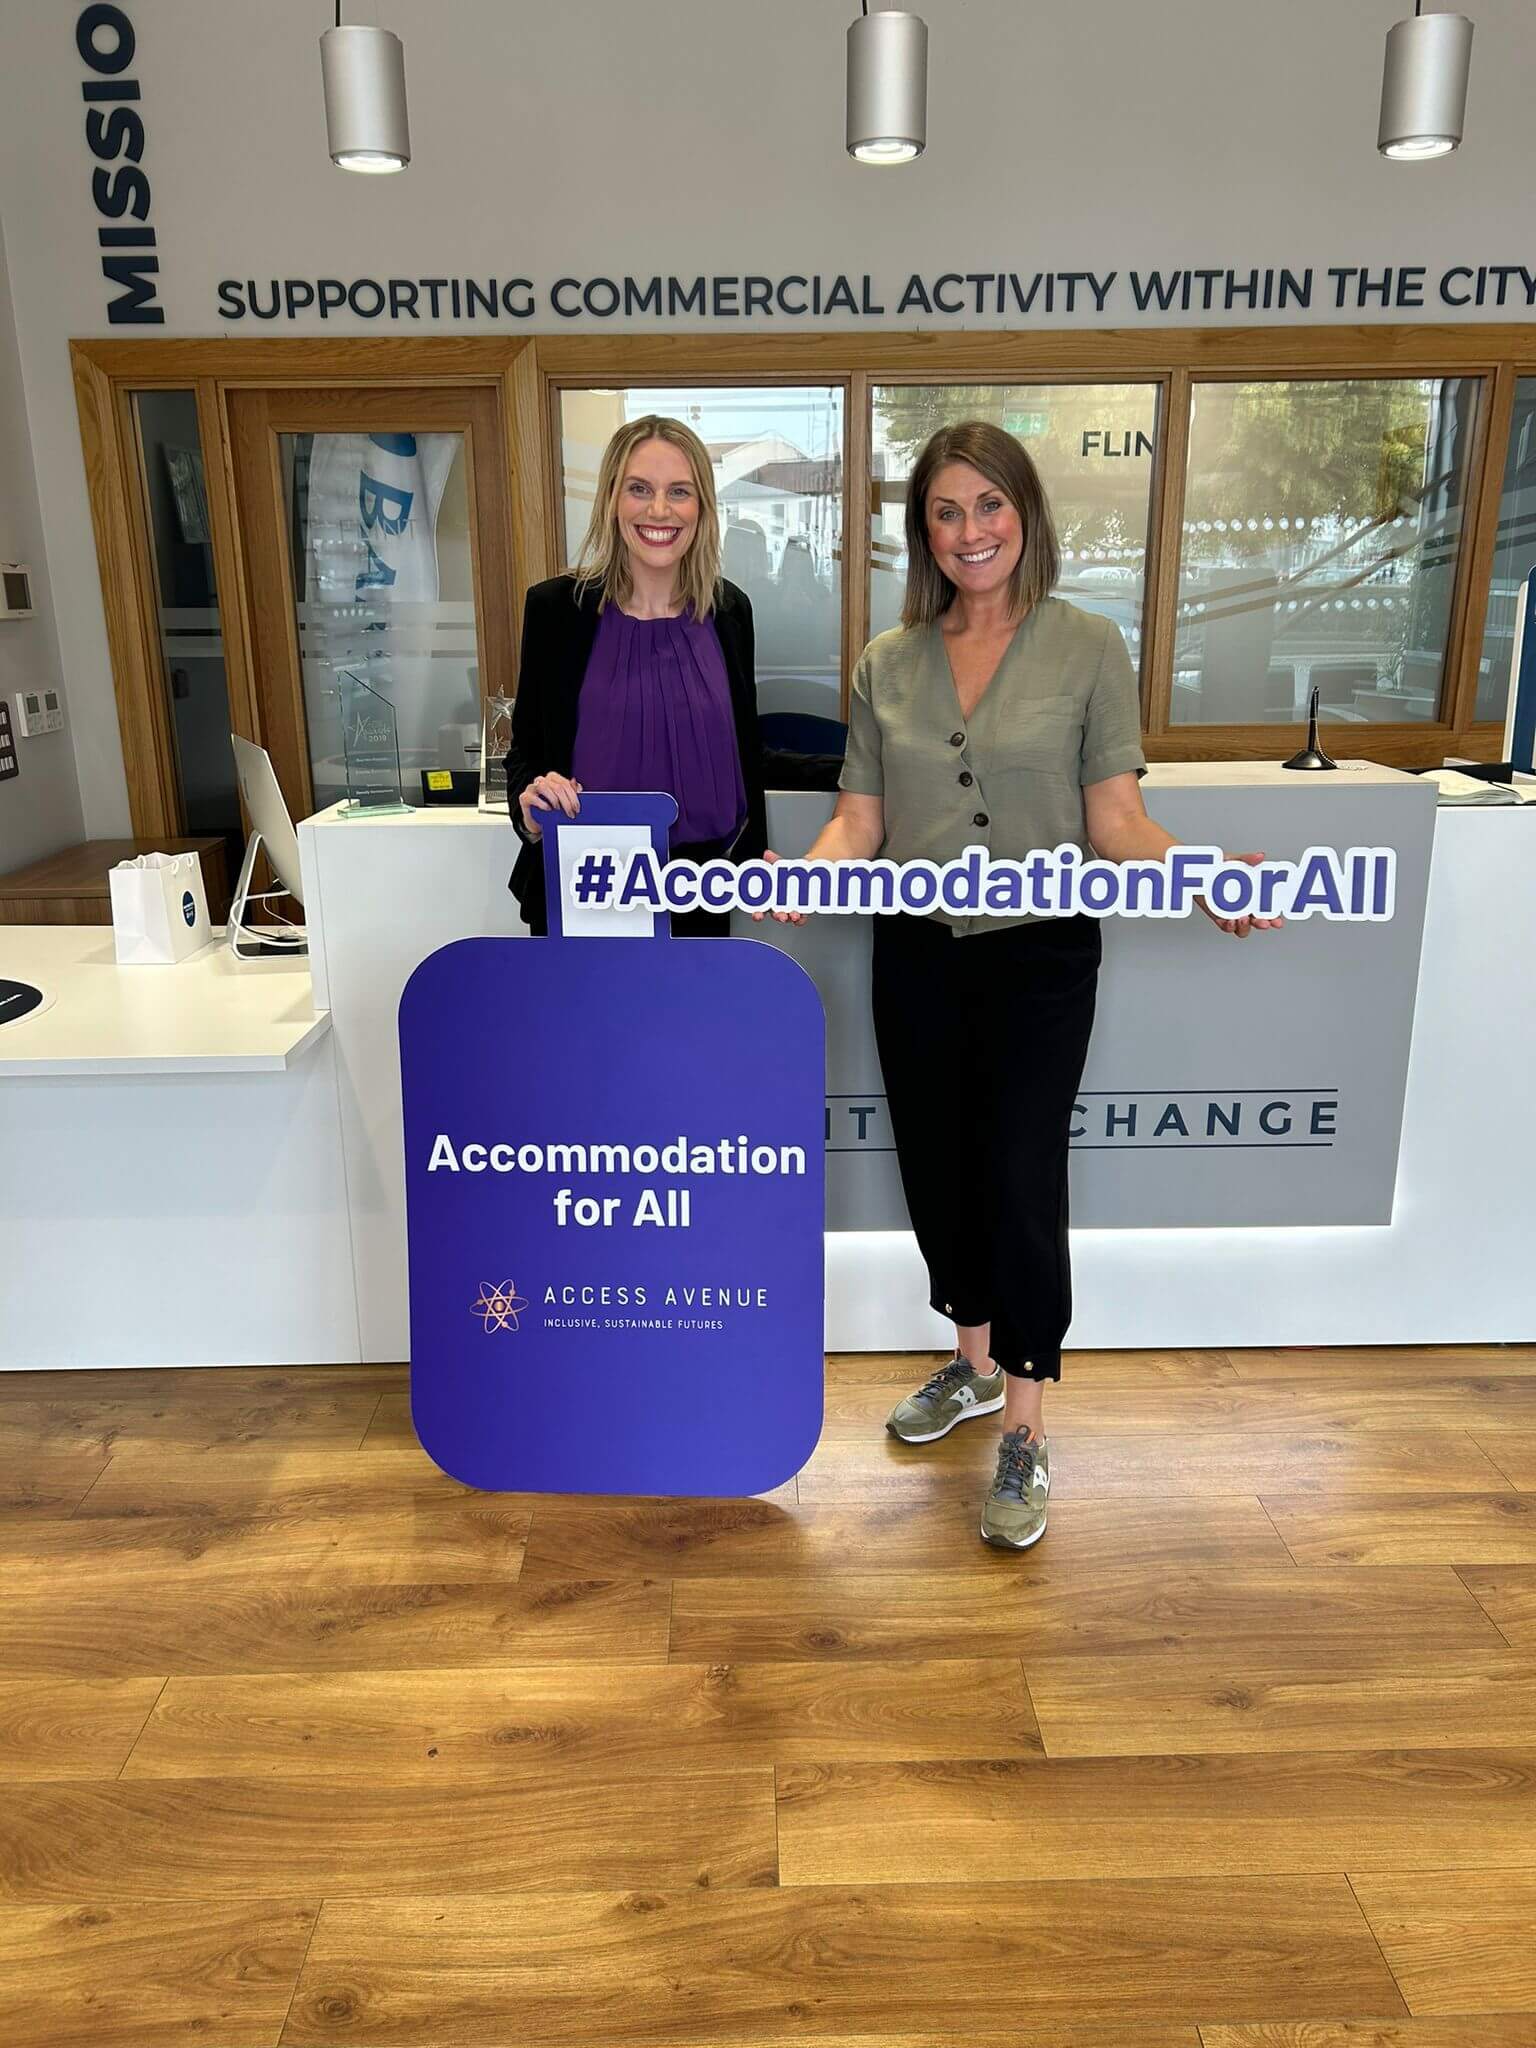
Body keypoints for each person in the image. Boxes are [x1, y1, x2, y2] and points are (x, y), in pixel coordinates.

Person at [789, 421, 1280, 1550]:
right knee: (938, 1165)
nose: (972, 531)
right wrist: (806, 882)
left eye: (991, 506)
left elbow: (1117, 820)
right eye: (948, 511)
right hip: (916, 948)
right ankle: (966, 1363)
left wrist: (1199, 874)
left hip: (1041, 954)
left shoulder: (1088, 645)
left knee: (1018, 1170)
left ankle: (1025, 1421)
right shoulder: (886, 661)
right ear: (925, 530)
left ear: (1027, 515)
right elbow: (859, 821)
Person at [504, 414, 839, 936]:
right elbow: (525, 753)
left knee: (697, 1022)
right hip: (585, 887)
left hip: (701, 892)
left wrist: (857, 770)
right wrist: (529, 810)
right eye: (639, 489)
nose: (659, 509)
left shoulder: (729, 611)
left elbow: (741, 750)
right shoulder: (556, 611)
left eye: (678, 491)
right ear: (612, 498)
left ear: (701, 506)